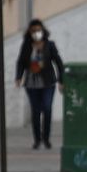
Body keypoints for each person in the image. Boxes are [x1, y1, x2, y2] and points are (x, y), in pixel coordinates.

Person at [14, 19, 65, 149]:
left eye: (38, 30)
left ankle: (46, 139)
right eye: (33, 31)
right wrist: (19, 77)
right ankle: (37, 139)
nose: (36, 33)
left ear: (43, 31)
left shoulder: (50, 45)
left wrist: (61, 80)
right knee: (35, 111)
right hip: (31, 84)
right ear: (30, 33)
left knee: (47, 108)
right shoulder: (26, 46)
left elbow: (58, 63)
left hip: (48, 83)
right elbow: (20, 62)